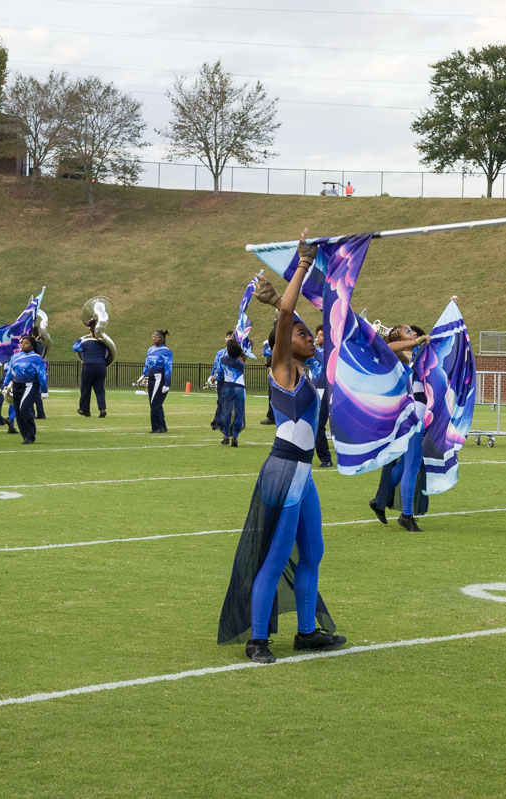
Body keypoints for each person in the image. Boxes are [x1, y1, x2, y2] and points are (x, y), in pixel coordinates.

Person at [218, 228, 343, 664]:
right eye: (300, 333)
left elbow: (312, 319)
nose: (309, 336)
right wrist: (302, 264)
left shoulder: (307, 373)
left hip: (303, 474)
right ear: (280, 346)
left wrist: (278, 303)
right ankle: (258, 640)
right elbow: (289, 311)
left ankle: (306, 632)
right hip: (285, 472)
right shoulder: (283, 368)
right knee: (274, 557)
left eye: (311, 333)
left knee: (313, 552)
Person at [369, 324, 431, 532]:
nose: (413, 333)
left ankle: (380, 500)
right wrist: (416, 342)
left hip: (416, 413)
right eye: (408, 332)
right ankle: (406, 515)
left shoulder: (413, 358)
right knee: (412, 465)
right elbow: (388, 346)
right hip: (412, 415)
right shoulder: (394, 357)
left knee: (406, 464)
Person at [3, 335, 49, 444]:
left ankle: (30, 435)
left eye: (26, 343)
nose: (23, 345)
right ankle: (25, 435)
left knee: (24, 409)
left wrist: (44, 390)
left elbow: (41, 375)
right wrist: (5, 385)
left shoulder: (37, 358)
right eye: (22, 343)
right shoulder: (15, 357)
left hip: (30, 385)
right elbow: (10, 372)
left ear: (32, 346)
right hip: (16, 385)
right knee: (18, 411)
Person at [74, 320, 112, 418]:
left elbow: (75, 348)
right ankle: (102, 409)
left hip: (89, 367)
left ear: (91, 333)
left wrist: (79, 340)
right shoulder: (104, 343)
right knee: (99, 389)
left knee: (85, 389)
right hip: (101, 367)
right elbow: (110, 352)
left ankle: (85, 410)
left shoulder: (85, 343)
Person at [138, 330, 172, 433]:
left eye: (156, 337)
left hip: (159, 378)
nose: (154, 338)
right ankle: (162, 425)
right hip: (151, 378)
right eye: (153, 336)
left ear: (162, 339)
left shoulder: (166, 351)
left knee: (155, 404)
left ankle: (157, 427)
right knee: (154, 403)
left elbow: (168, 367)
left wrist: (167, 383)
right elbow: (146, 363)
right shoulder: (150, 350)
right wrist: (143, 374)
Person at [308, 324, 333, 468]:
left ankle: (326, 458)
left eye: (321, 335)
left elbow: (326, 362)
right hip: (315, 391)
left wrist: (312, 349)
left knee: (320, 426)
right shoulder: (315, 351)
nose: (318, 337)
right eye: (317, 334)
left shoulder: (331, 352)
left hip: (328, 392)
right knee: (312, 424)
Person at [216, 339, 246, 446]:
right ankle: (235, 436)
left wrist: (214, 379)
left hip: (227, 386)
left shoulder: (223, 359)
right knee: (238, 412)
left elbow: (219, 374)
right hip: (239, 387)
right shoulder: (241, 360)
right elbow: (248, 346)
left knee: (226, 412)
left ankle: (225, 435)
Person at [207, 330, 234, 431]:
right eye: (227, 337)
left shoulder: (234, 353)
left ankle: (219, 421)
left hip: (229, 380)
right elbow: (215, 367)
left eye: (230, 337)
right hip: (221, 381)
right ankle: (218, 421)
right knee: (220, 401)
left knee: (226, 402)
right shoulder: (220, 353)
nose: (228, 339)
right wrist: (211, 377)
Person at [259, 338, 276, 425]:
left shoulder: (278, 347)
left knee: (273, 396)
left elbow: (265, 353)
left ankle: (272, 417)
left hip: (276, 375)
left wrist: (265, 345)